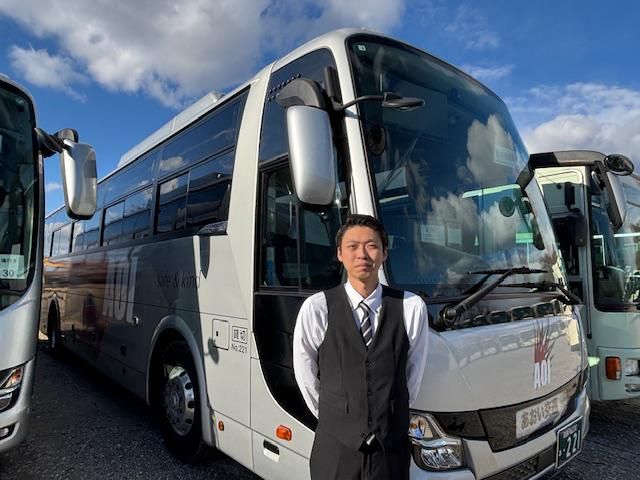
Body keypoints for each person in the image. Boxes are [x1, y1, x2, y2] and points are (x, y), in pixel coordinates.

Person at [293, 214, 429, 480]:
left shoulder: (410, 307)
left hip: (390, 449)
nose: (362, 255)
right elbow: (305, 374)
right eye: (352, 246)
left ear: (384, 253)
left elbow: (413, 376)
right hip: (335, 448)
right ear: (339, 254)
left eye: (371, 246)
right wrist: (337, 415)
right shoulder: (317, 308)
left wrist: (388, 415)